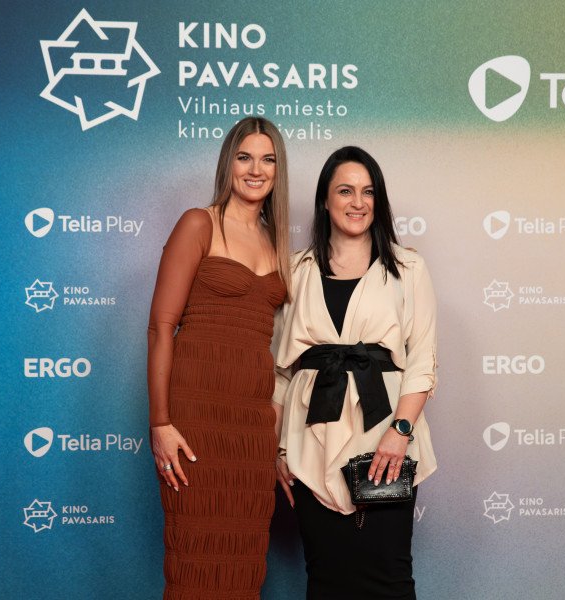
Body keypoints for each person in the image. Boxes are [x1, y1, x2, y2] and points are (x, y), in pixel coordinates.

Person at [272, 146, 436, 600]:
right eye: (345, 191)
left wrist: (400, 433)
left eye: (368, 192)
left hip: (387, 440)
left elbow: (422, 361)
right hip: (310, 442)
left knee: (390, 577)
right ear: (325, 200)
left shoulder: (408, 268)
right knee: (325, 578)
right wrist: (278, 449)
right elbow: (279, 372)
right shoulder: (294, 271)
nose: (358, 202)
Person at [147, 117, 291, 600]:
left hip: (252, 429)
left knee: (243, 566)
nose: (256, 170)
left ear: (278, 170)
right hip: (195, 419)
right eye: (244, 157)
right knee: (194, 563)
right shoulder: (199, 223)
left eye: (268, 159)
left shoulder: (278, 243)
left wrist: (275, 432)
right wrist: (160, 422)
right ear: (228, 163)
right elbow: (161, 327)